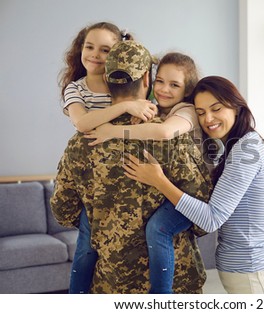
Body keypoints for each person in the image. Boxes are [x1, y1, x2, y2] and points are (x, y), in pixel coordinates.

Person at [51, 40, 213, 294]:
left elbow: (62, 209)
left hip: (110, 281)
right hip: (176, 280)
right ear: (148, 80)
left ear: (106, 78)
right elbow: (201, 203)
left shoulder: (83, 140)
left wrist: (98, 219)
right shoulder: (173, 136)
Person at [123, 76, 264, 294]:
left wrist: (158, 180)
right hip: (247, 273)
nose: (208, 118)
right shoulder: (230, 147)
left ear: (236, 107)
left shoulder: (246, 149)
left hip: (256, 275)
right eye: (200, 112)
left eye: (216, 108)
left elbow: (211, 219)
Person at [58, 21, 158, 293]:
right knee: (86, 251)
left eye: (105, 50)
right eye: (89, 47)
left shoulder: (120, 82)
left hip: (125, 181)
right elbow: (82, 123)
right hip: (93, 184)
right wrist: (126, 104)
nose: (95, 55)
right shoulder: (76, 89)